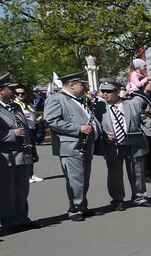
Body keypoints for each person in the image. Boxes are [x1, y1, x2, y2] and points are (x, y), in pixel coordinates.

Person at [44, 72, 98, 220]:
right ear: (72, 85)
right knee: (75, 179)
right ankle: (75, 209)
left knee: (84, 179)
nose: (84, 87)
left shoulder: (80, 99)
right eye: (82, 84)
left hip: (85, 144)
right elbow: (52, 121)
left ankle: (82, 206)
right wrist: (78, 129)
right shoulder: (57, 99)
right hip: (70, 145)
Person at [94, 80, 151, 210]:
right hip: (112, 144)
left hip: (134, 142)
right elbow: (95, 125)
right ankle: (117, 200)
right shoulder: (99, 107)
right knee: (115, 173)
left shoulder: (133, 104)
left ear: (116, 92)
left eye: (108, 92)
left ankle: (140, 197)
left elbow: (145, 119)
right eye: (103, 91)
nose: (104, 94)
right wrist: (103, 135)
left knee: (137, 171)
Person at [0, 71, 39, 232]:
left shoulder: (15, 106)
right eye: (11, 88)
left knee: (22, 189)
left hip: (23, 153)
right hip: (6, 154)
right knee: (7, 190)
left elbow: (26, 129)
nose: (14, 91)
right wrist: (11, 134)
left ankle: (22, 218)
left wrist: (33, 149)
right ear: (1, 90)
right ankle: (8, 221)